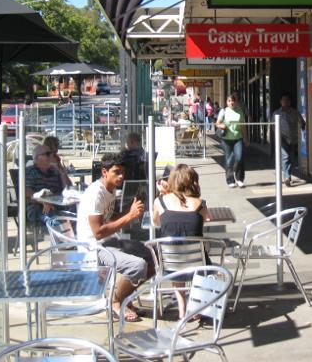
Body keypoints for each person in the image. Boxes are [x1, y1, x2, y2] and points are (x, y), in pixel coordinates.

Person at [77, 153, 155, 322]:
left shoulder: (110, 189)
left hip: (109, 241)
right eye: (116, 172)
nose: (121, 176)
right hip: (93, 247)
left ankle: (125, 298)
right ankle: (115, 302)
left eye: (123, 172)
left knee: (154, 258)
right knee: (138, 265)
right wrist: (129, 217)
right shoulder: (95, 194)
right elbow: (98, 232)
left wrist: (130, 209)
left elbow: (110, 218)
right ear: (104, 172)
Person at [152, 163, 210, 319]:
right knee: (199, 251)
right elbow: (208, 218)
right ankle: (197, 305)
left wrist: (164, 194)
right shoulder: (199, 203)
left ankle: (182, 309)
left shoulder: (160, 202)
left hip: (169, 262)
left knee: (176, 253)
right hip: (197, 263)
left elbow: (156, 222)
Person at [25, 144, 72, 225]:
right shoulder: (30, 171)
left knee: (81, 216)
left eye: (52, 154)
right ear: (37, 158)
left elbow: (68, 189)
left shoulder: (55, 171)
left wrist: (62, 171)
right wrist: (43, 200)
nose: (51, 156)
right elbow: (26, 191)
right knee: (56, 223)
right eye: (47, 154)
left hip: (58, 205)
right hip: (39, 206)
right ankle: (62, 236)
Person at [272, 93, 306, 187]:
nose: (285, 102)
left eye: (287, 100)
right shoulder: (276, 113)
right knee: (285, 157)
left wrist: (303, 126)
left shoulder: (295, 112)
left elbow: (302, 122)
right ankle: (287, 177)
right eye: (284, 100)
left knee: (291, 159)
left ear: (290, 102)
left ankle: (288, 175)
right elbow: (273, 126)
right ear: (281, 102)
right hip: (282, 138)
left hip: (293, 139)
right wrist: (276, 134)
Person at [215, 95, 249, 187]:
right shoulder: (224, 111)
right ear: (227, 102)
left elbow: (243, 126)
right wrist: (221, 125)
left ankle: (239, 178)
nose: (231, 102)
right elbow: (217, 123)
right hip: (226, 139)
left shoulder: (239, 111)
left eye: (233, 100)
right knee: (229, 160)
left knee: (239, 157)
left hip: (238, 138)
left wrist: (246, 138)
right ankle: (230, 180)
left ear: (236, 102)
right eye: (229, 101)